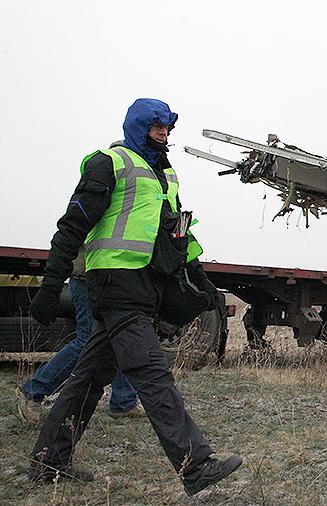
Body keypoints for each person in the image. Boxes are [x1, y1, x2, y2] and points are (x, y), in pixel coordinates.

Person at [26, 98, 241, 496]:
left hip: (145, 285)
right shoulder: (108, 163)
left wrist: (201, 277)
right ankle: (195, 465)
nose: (164, 133)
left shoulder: (165, 173)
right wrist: (50, 285)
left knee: (88, 377)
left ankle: (48, 460)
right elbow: (72, 227)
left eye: (168, 128)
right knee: (151, 372)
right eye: (157, 126)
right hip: (113, 284)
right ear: (138, 126)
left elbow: (177, 231)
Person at [18, 249, 143, 424]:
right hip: (90, 278)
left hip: (112, 281)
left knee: (119, 337)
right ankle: (34, 391)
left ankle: (124, 402)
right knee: (88, 341)